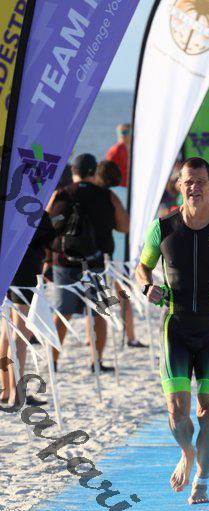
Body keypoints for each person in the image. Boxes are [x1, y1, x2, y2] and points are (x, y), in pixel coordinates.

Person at [135, 157, 209, 505]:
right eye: (188, 181)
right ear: (179, 185)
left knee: (208, 412)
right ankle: (187, 452)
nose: (194, 187)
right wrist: (147, 287)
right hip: (175, 327)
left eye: (201, 181)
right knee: (176, 410)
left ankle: (202, 480)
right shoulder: (163, 228)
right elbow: (142, 269)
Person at [47, 154, 129, 372]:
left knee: (62, 313)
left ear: (73, 171)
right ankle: (96, 361)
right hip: (95, 263)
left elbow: (45, 227)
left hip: (64, 262)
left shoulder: (61, 194)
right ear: (94, 172)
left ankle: (53, 361)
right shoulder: (106, 195)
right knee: (98, 312)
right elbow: (124, 226)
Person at [0, 212, 56, 407]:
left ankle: (6, 390)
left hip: (6, 268)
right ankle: (17, 393)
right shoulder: (35, 208)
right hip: (26, 270)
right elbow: (50, 239)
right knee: (20, 333)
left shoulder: (8, 205)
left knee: (7, 332)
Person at [95, 160, 147, 348]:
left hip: (104, 251)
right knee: (124, 296)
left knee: (99, 298)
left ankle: (92, 339)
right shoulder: (129, 194)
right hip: (125, 252)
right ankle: (130, 337)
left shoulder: (99, 195)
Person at [105, 124, 131, 188]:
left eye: (125, 132)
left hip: (129, 186)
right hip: (119, 187)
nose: (122, 135)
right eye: (120, 132)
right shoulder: (116, 149)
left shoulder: (133, 149)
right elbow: (106, 169)